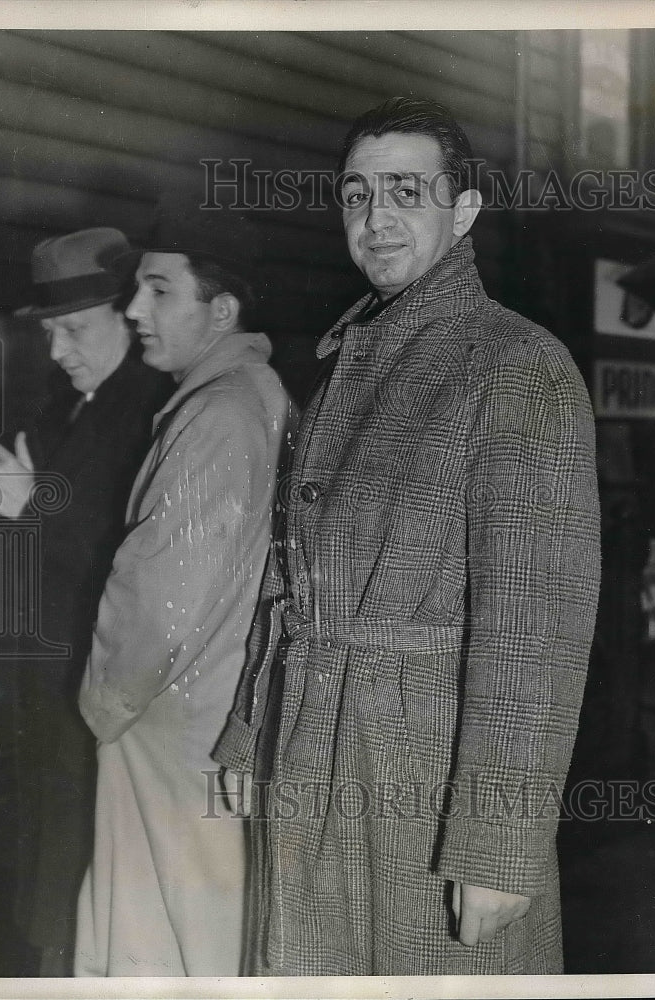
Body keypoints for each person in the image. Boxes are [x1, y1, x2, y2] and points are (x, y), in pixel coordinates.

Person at [215, 97, 602, 975]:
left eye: (404, 192)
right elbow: (289, 578)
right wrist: (249, 726)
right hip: (313, 749)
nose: (375, 219)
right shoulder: (350, 364)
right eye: (356, 195)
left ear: (462, 210)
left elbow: (533, 630)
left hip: (424, 781)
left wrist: (497, 844)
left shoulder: (514, 364)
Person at [73, 203, 296, 977]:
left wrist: (103, 704)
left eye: (159, 291)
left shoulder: (220, 413)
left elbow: (161, 593)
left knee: (165, 951)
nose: (134, 309)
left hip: (169, 726)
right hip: (199, 720)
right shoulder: (237, 400)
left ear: (221, 310)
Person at [0, 227, 173, 975]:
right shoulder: (61, 409)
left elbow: (136, 563)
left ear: (127, 316)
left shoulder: (155, 413)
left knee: (90, 869)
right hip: (47, 680)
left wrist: (32, 511)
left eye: (74, 329)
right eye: (50, 331)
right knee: (49, 853)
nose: (58, 348)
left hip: (106, 691)